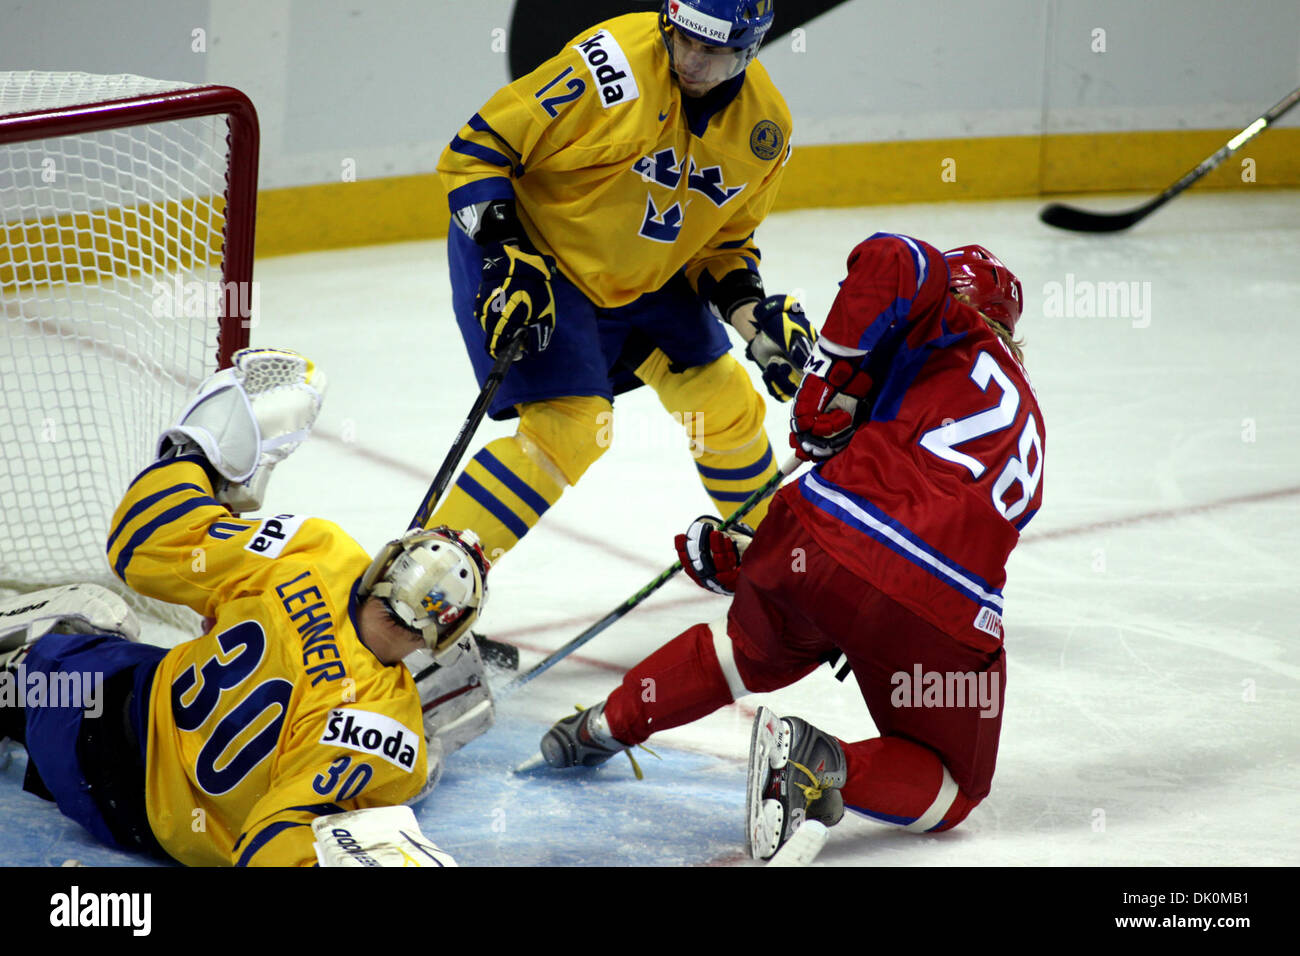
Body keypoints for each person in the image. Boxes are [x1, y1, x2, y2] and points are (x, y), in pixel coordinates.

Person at [533, 233, 1046, 861]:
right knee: (954, 787)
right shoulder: (1027, 420)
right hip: (935, 601)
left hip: (820, 536)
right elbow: (914, 526)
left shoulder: (949, 325)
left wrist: (825, 381)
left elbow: (894, 258)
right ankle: (819, 767)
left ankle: (603, 725)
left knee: (746, 652)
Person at [0, 348, 495, 866]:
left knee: (97, 616)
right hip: (133, 822)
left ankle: (14, 682)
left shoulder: (316, 553)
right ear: (441, 638)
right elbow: (274, 842)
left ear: (386, 565)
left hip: (80, 709)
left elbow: (140, 541)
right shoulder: (390, 730)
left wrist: (202, 452)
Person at [429, 0, 815, 567]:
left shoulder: (765, 130)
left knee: (724, 400)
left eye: (714, 51)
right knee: (573, 426)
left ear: (750, 49)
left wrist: (752, 322)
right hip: (538, 254)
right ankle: (424, 593)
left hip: (647, 270)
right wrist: (504, 251)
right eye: (685, 40)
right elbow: (475, 151)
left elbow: (722, 245)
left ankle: (776, 571)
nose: (692, 62)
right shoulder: (610, 68)